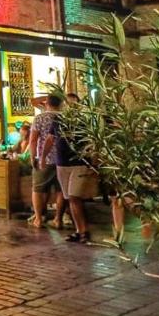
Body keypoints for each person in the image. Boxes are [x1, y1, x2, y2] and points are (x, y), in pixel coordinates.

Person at [45, 95, 99, 243]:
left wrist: (94, 161)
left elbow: (92, 141)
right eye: (68, 103)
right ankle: (79, 230)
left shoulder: (83, 122)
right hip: (62, 164)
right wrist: (42, 157)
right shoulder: (58, 120)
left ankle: (84, 231)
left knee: (74, 197)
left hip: (79, 163)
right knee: (70, 198)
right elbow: (50, 139)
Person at [28, 93, 66, 229]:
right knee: (61, 190)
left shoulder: (40, 118)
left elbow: (33, 139)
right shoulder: (65, 117)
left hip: (44, 159)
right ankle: (58, 219)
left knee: (38, 188)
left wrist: (33, 156)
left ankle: (38, 219)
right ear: (61, 104)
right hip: (63, 159)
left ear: (46, 103)